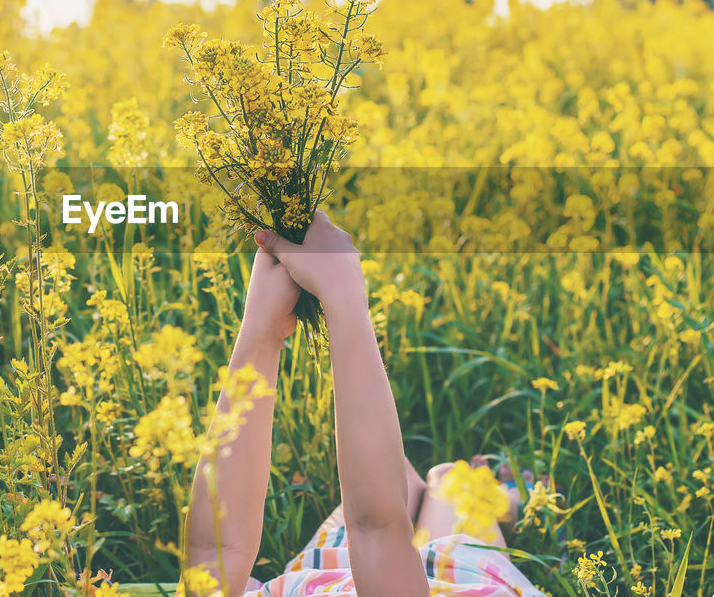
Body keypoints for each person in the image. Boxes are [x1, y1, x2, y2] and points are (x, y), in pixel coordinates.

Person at [183, 210, 546, 597]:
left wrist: (263, 329)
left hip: (338, 577)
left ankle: (488, 494)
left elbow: (217, 551)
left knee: (413, 481)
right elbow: (375, 532)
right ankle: (519, 503)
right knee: (450, 482)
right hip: (427, 579)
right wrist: (341, 298)